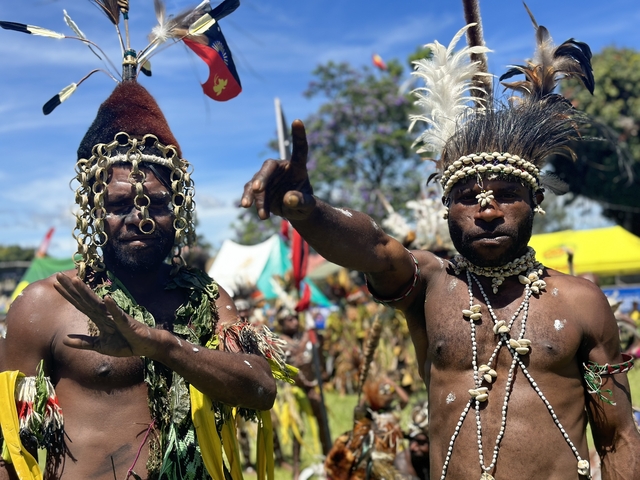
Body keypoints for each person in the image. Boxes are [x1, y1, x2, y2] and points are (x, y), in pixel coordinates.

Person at [241, 10, 640, 480]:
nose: (487, 210)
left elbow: (617, 439)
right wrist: (309, 212)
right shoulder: (431, 286)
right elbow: (373, 247)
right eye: (468, 198)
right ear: (446, 208)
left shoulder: (581, 302)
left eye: (506, 195)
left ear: (536, 200)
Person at [0, 5, 290, 479]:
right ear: (95, 211)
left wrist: (160, 345)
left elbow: (261, 387)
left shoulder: (205, 299)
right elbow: (7, 450)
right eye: (119, 205)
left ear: (179, 209)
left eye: (155, 203)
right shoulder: (41, 307)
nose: (140, 219)